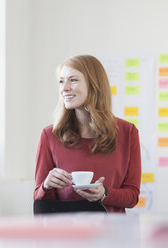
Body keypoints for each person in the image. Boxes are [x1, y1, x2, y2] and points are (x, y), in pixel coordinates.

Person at [34, 55, 141, 213]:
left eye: (73, 80)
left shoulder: (128, 132)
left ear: (94, 85)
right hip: (68, 233)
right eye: (62, 81)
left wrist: (104, 193)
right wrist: (46, 185)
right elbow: (38, 197)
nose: (64, 88)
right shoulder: (50, 135)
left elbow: (132, 196)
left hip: (111, 233)